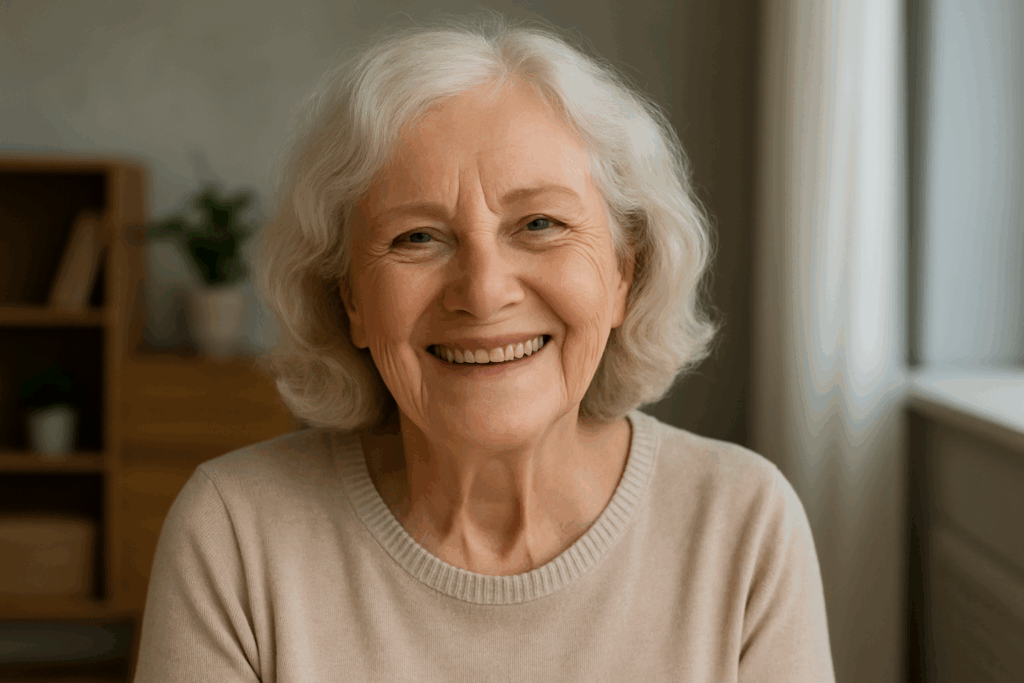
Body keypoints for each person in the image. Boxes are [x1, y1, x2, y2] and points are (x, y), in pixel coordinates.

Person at [133, 13, 835, 682]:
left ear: (626, 272)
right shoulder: (234, 530)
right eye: (417, 237)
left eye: (540, 223)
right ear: (349, 299)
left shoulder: (742, 524)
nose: (483, 291)